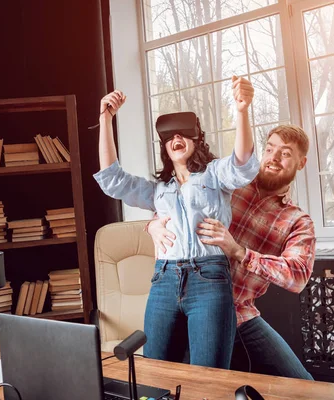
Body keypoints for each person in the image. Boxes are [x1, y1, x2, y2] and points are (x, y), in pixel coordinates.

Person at [93, 76, 259, 369]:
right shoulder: (158, 191)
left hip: (208, 279)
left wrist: (242, 110)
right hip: (164, 280)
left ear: (196, 141)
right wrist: (105, 120)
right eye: (169, 138)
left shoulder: (215, 176)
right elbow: (112, 180)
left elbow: (242, 164)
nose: (176, 140)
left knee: (209, 376)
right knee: (156, 373)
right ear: (165, 149)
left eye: (182, 135)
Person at [148, 124, 315, 379]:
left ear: (301, 163)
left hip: (241, 314)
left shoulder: (298, 221)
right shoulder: (225, 181)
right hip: (195, 309)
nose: (274, 158)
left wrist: (239, 252)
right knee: (187, 387)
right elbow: (171, 205)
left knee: (305, 388)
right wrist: (151, 226)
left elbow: (298, 276)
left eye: (285, 153)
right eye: (270, 149)